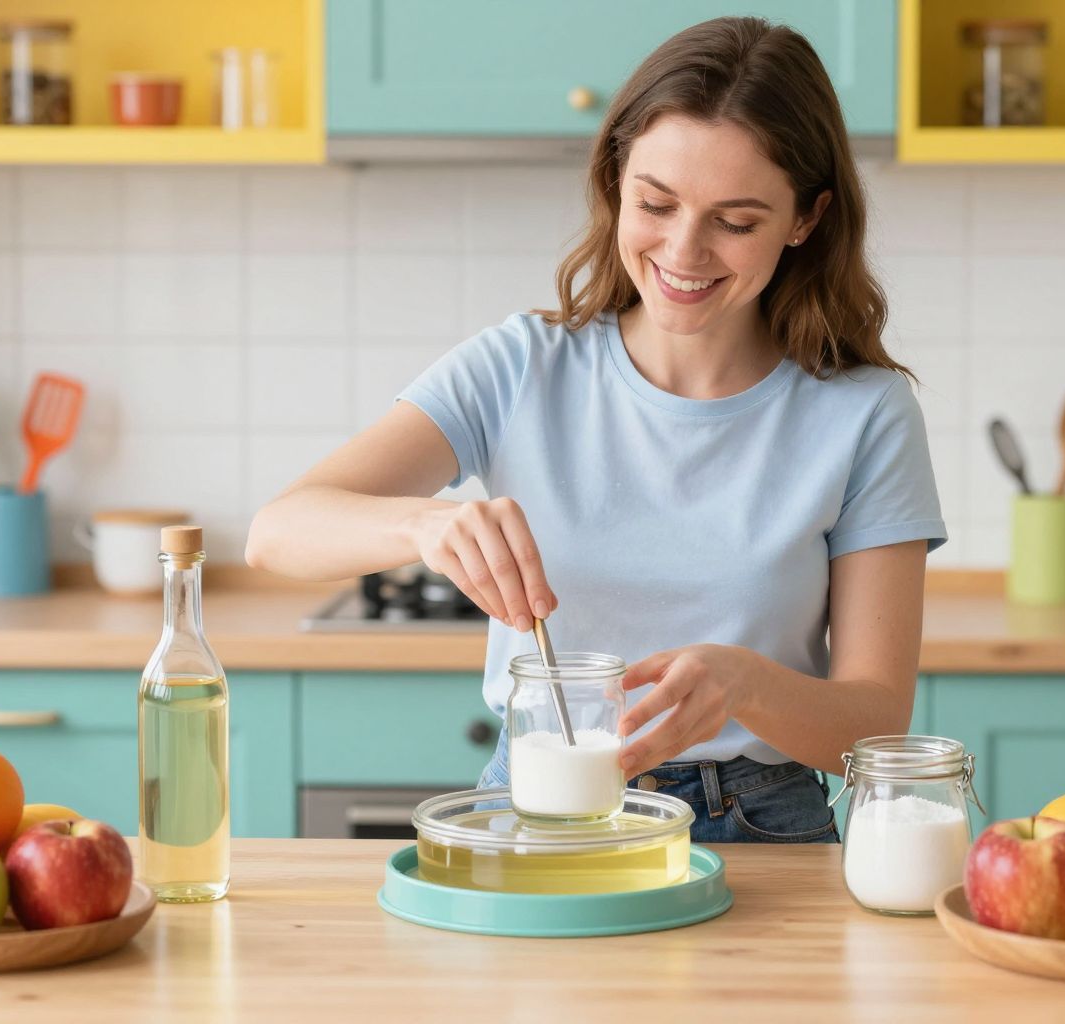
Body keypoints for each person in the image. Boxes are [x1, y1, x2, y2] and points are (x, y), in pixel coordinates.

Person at [246, 16, 945, 844]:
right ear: (616, 181)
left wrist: (746, 685)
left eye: (736, 221)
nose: (684, 251)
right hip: (535, 804)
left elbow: (876, 726)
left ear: (806, 219)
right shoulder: (520, 366)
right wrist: (422, 526)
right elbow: (276, 533)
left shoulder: (865, 413)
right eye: (656, 203)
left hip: (759, 825)